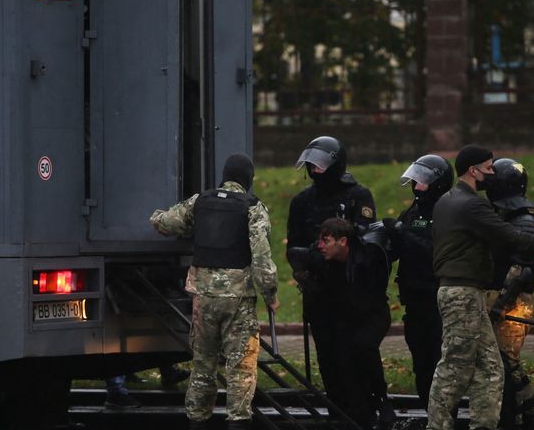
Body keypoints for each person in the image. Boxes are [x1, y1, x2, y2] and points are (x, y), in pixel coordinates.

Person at [427, 144, 534, 430]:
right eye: (488, 168)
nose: (493, 174)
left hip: (465, 293)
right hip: (463, 293)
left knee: (491, 367)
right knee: (455, 366)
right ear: (473, 170)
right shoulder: (472, 204)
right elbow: (512, 237)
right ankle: (437, 425)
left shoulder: (446, 201)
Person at [150, 153, 279, 430]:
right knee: (240, 367)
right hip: (237, 300)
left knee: (202, 364)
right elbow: (261, 257)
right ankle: (238, 422)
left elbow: (166, 223)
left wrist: (156, 217)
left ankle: (197, 421)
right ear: (248, 178)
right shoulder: (253, 207)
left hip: (203, 297)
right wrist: (270, 294)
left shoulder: (200, 201)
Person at [286, 136, 376, 410]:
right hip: (318, 290)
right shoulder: (302, 201)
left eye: (321, 166)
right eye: (311, 166)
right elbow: (293, 248)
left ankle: (361, 409)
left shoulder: (358, 196)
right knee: (327, 354)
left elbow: (367, 242)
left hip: (350, 290)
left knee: (352, 353)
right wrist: (304, 271)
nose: (315, 171)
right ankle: (336, 409)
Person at [382, 154, 453, 410]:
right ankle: (428, 412)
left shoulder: (446, 211)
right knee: (420, 360)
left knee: (438, 360)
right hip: (414, 300)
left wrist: (403, 235)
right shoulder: (412, 211)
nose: (417, 186)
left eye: (423, 182)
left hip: (437, 298)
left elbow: (435, 250)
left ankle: (443, 414)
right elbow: (396, 247)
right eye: (416, 180)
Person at [314, 218, 393, 430]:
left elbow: (372, 293)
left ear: (343, 242)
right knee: (344, 358)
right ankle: (360, 412)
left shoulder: (366, 259)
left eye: (326, 240)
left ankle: (381, 398)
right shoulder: (328, 264)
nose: (320, 245)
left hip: (372, 314)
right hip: (349, 317)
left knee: (364, 346)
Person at [483, 158, 534, 430]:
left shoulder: (524, 221)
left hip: (514, 302)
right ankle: (529, 416)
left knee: (505, 363)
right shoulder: (506, 216)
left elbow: (522, 270)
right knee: (507, 364)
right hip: (501, 298)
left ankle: (522, 417)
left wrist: (500, 305)